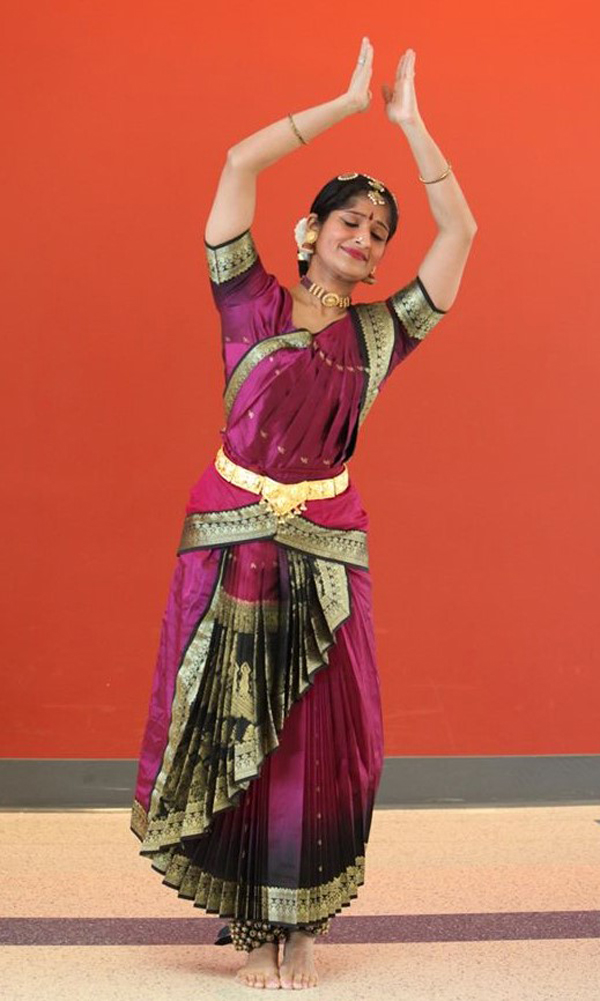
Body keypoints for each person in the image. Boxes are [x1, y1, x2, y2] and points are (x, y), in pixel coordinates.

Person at [130, 38, 477, 991]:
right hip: (231, 537)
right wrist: (345, 103)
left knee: (322, 732)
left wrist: (409, 126)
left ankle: (305, 919)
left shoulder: (382, 335)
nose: (365, 239)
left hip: (326, 548)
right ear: (308, 228)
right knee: (237, 719)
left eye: (378, 232)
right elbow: (238, 162)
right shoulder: (247, 302)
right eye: (350, 221)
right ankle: (252, 909)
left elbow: (464, 233)